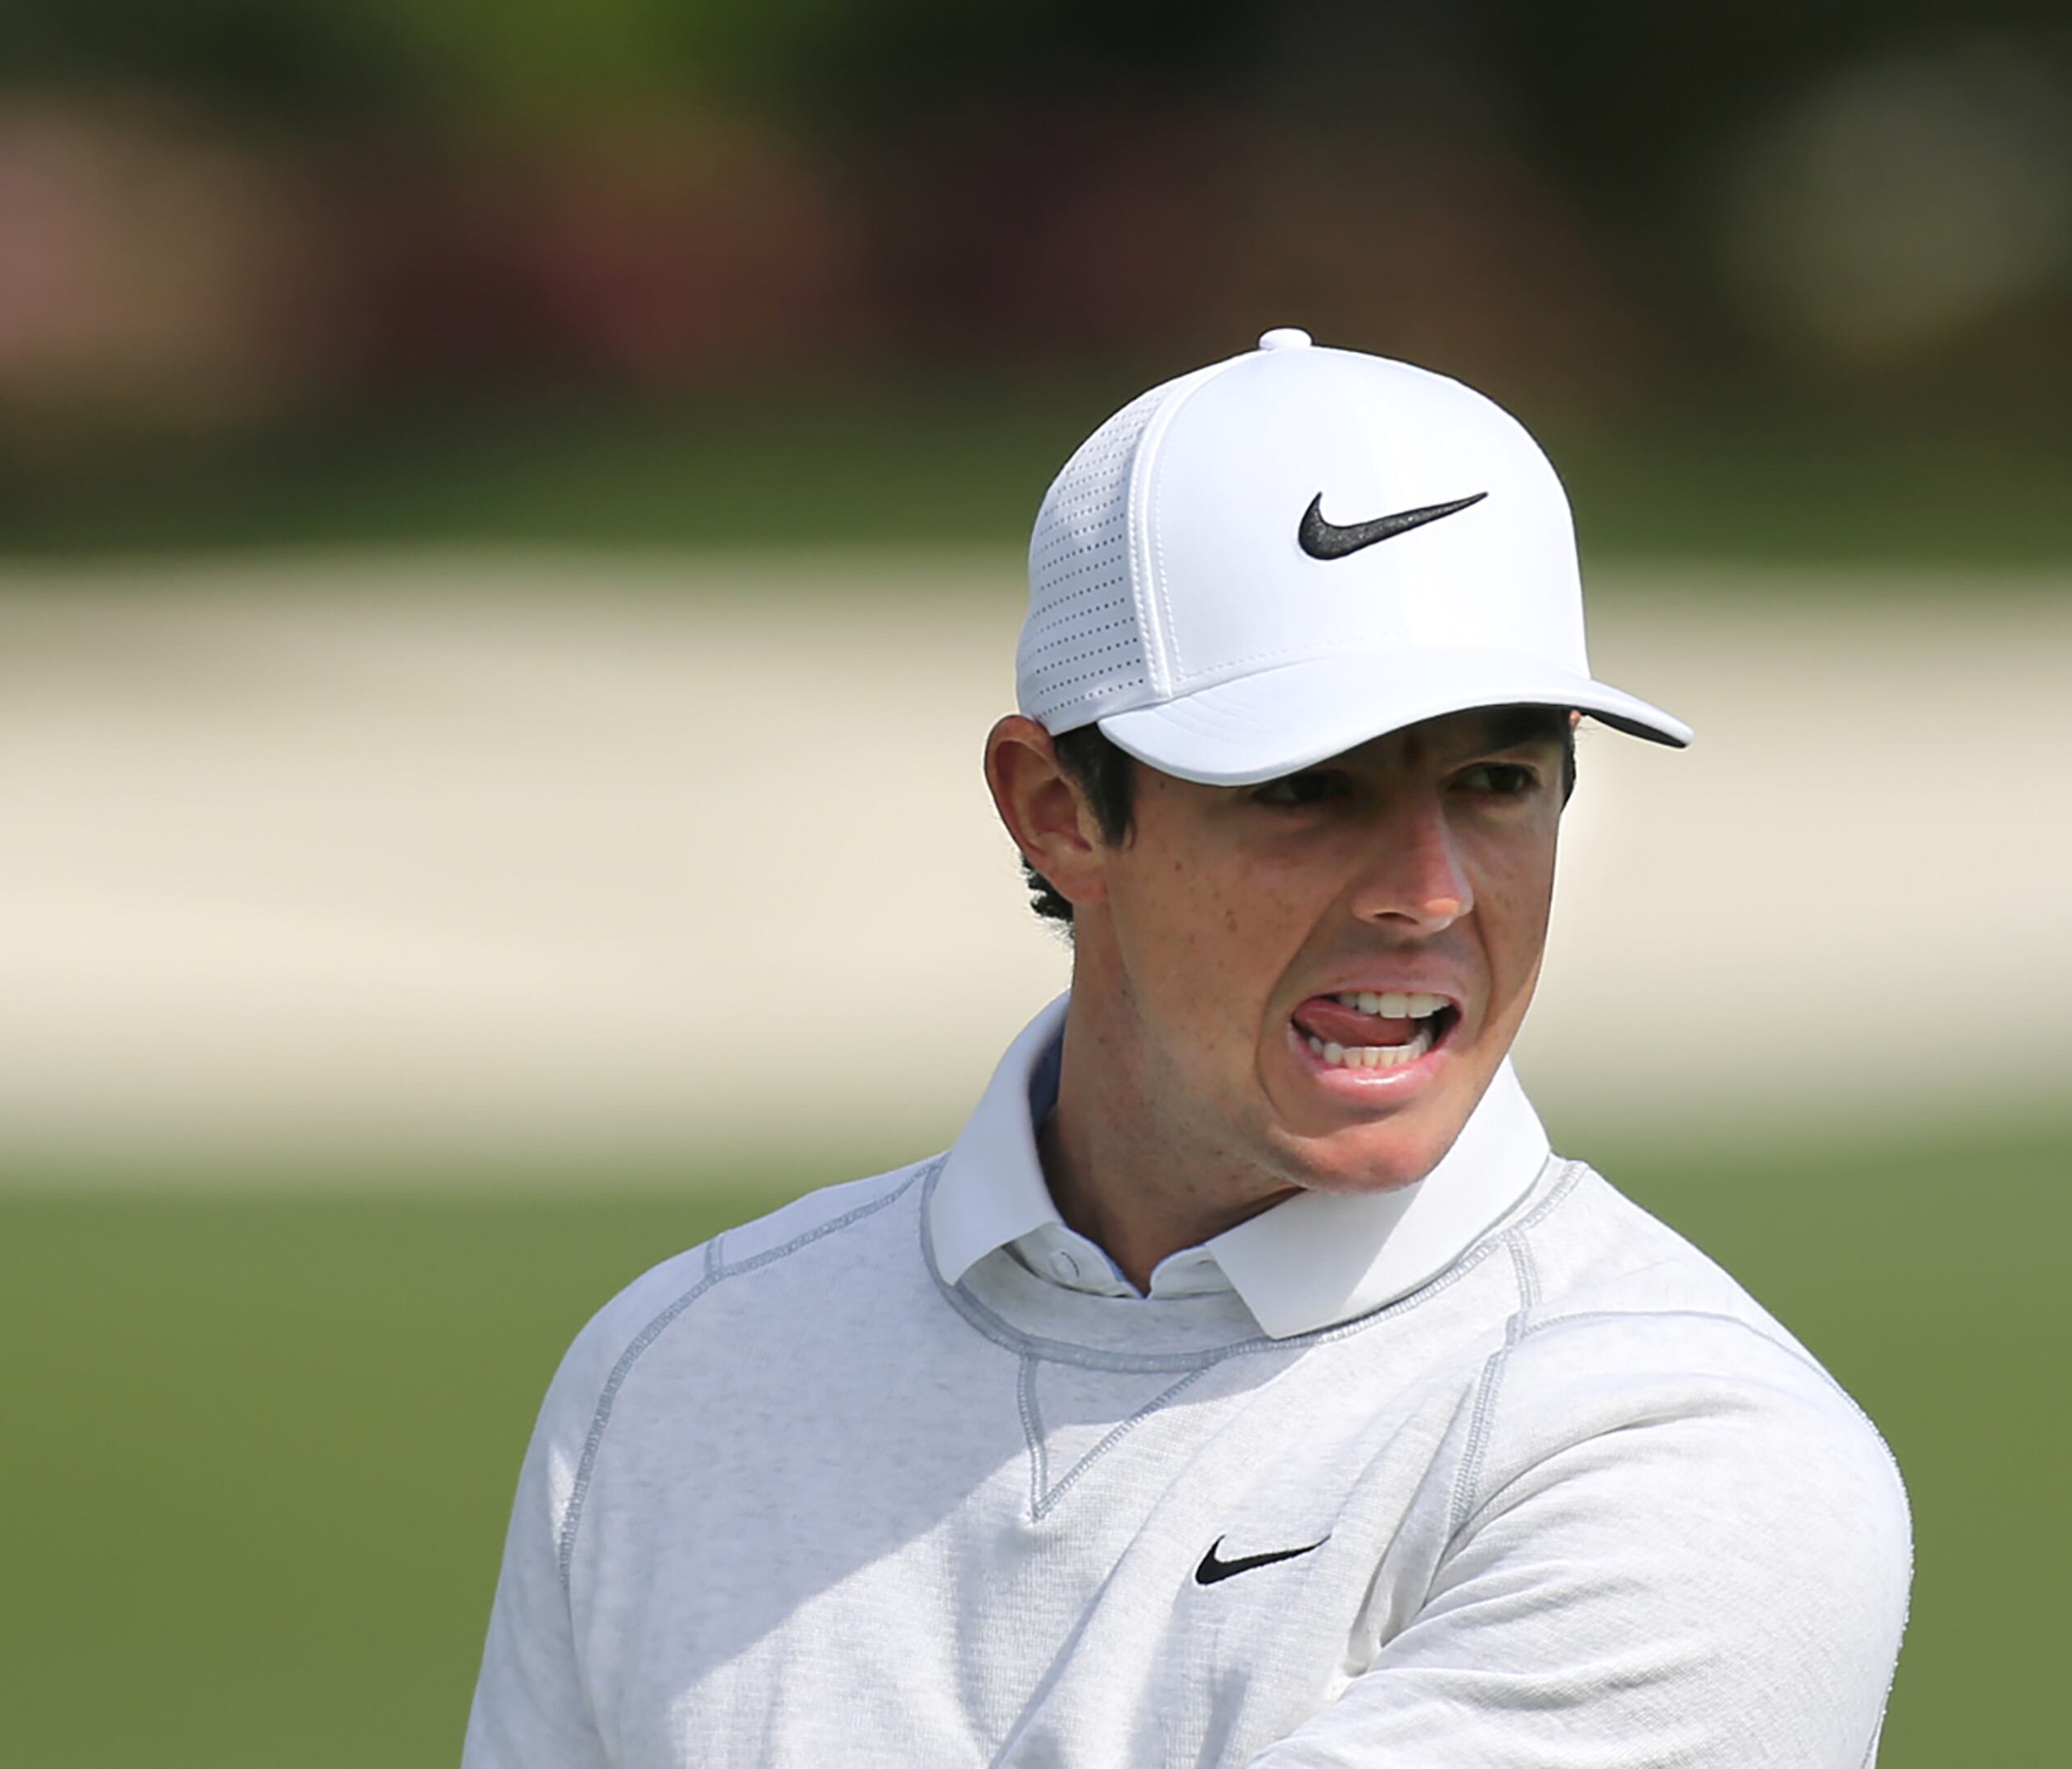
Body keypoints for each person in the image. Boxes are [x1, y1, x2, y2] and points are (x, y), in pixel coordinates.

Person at [461, 328, 1911, 1767]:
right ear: (1056, 811)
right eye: (1309, 789)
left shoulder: (1698, 1459)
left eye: (1495, 781)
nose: (1429, 891)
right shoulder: (680, 1375)